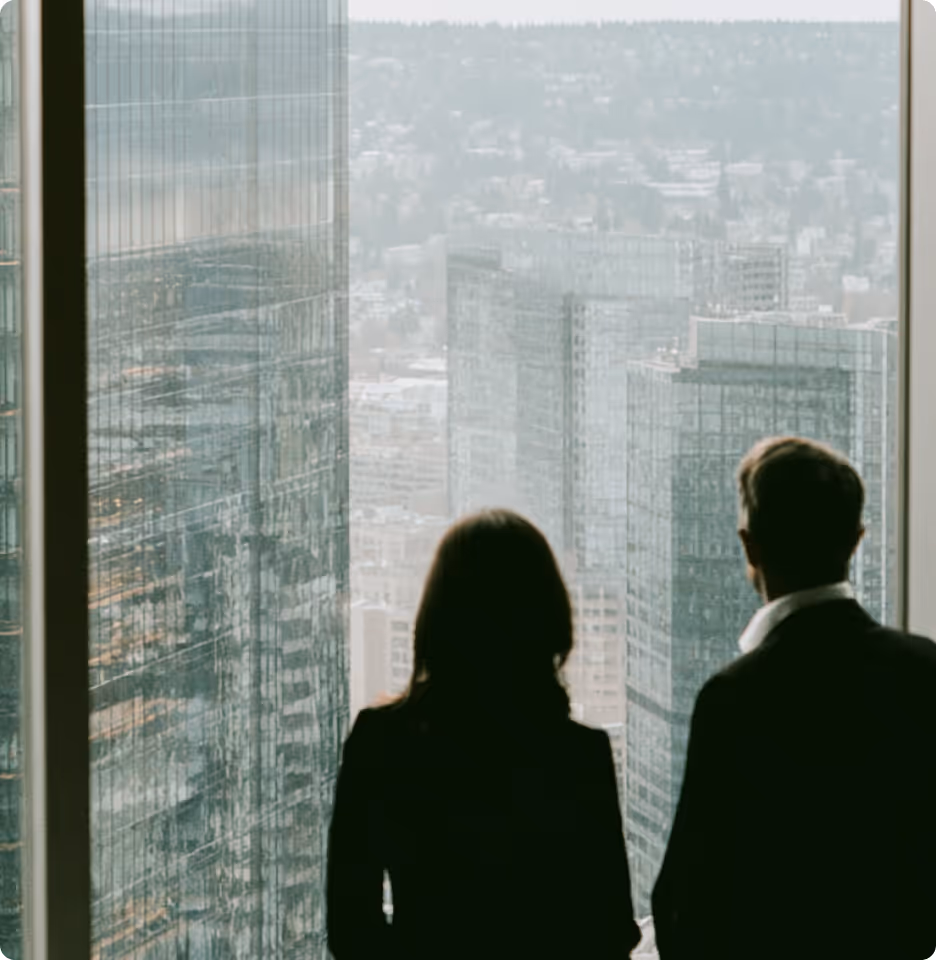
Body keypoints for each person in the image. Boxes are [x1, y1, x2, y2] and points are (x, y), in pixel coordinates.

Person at [652, 436, 936, 960]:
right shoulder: (924, 670)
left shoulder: (733, 699)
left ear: (749, 546)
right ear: (856, 540)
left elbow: (685, 902)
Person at [327, 509, 642, 959]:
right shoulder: (578, 754)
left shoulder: (380, 741)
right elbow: (607, 928)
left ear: (437, 616)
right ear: (547, 620)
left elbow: (350, 925)